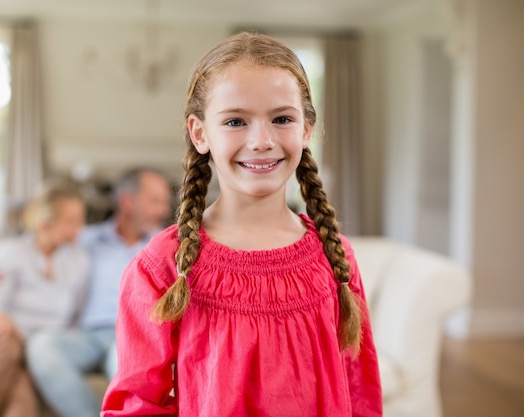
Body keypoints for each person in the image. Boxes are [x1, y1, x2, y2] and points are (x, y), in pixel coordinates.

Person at [101, 32, 383, 417]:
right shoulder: (163, 266)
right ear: (200, 133)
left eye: (282, 118)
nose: (262, 140)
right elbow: (137, 405)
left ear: (306, 130)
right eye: (235, 121)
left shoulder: (336, 258)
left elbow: (360, 394)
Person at [24, 167, 172, 417]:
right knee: (41, 346)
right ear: (127, 202)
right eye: (155, 201)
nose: (165, 210)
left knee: (127, 364)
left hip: (132, 333)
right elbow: (40, 246)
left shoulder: (166, 247)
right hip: (85, 334)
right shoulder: (86, 239)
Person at [0, 181, 89, 417]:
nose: (81, 227)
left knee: (21, 405)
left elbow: (76, 318)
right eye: (71, 221)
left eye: (81, 219)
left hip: (31, 350)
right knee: (6, 347)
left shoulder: (80, 261)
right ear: (46, 225)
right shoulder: (13, 251)